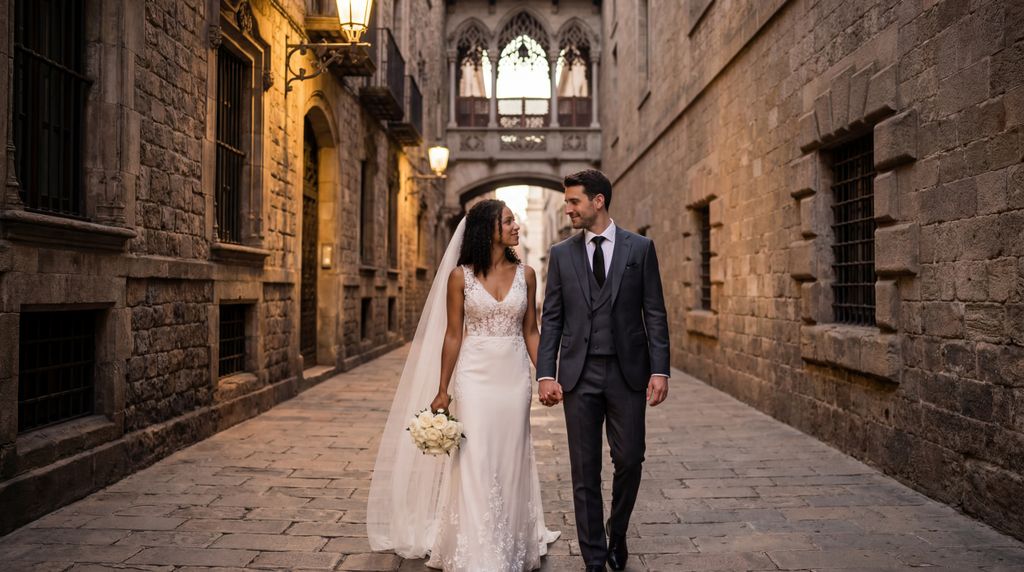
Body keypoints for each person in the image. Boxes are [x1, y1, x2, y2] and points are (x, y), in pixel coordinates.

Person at [367, 199, 559, 572]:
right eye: (508, 221)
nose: (516, 226)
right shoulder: (460, 277)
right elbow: (453, 336)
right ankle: (478, 549)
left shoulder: (528, 275)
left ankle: (511, 540)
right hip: (475, 377)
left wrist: (546, 375)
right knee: (475, 458)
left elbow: (531, 331)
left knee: (510, 456)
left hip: (513, 378)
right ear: (489, 229)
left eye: (515, 220)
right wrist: (443, 389)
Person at [537, 169, 670, 572]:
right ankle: (595, 556)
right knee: (584, 469)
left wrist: (660, 370)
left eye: (574, 201)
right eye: (566, 203)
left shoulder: (640, 248)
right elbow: (553, 318)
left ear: (598, 201)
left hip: (628, 373)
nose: (568, 209)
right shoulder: (561, 255)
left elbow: (655, 313)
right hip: (578, 376)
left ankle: (619, 530)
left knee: (630, 459)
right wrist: (546, 372)